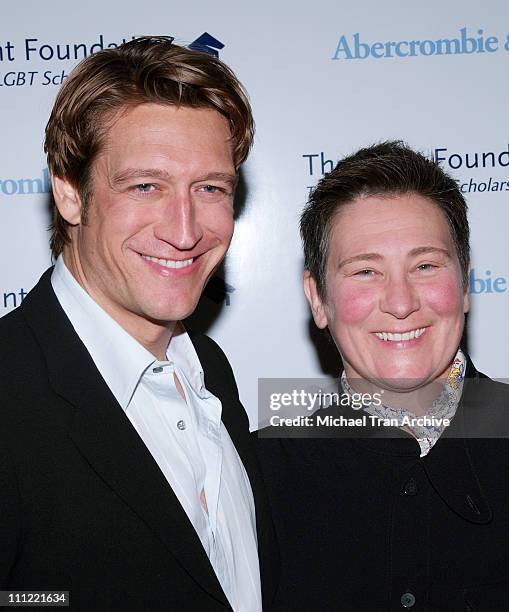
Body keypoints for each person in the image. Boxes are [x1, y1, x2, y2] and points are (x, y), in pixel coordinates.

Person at [0, 37, 278, 611]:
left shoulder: (211, 374)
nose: (185, 230)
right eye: (145, 186)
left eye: (210, 188)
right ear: (70, 193)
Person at [257, 141, 509, 611]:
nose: (400, 301)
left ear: (466, 283)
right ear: (317, 298)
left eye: (426, 266)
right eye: (366, 271)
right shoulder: (259, 475)